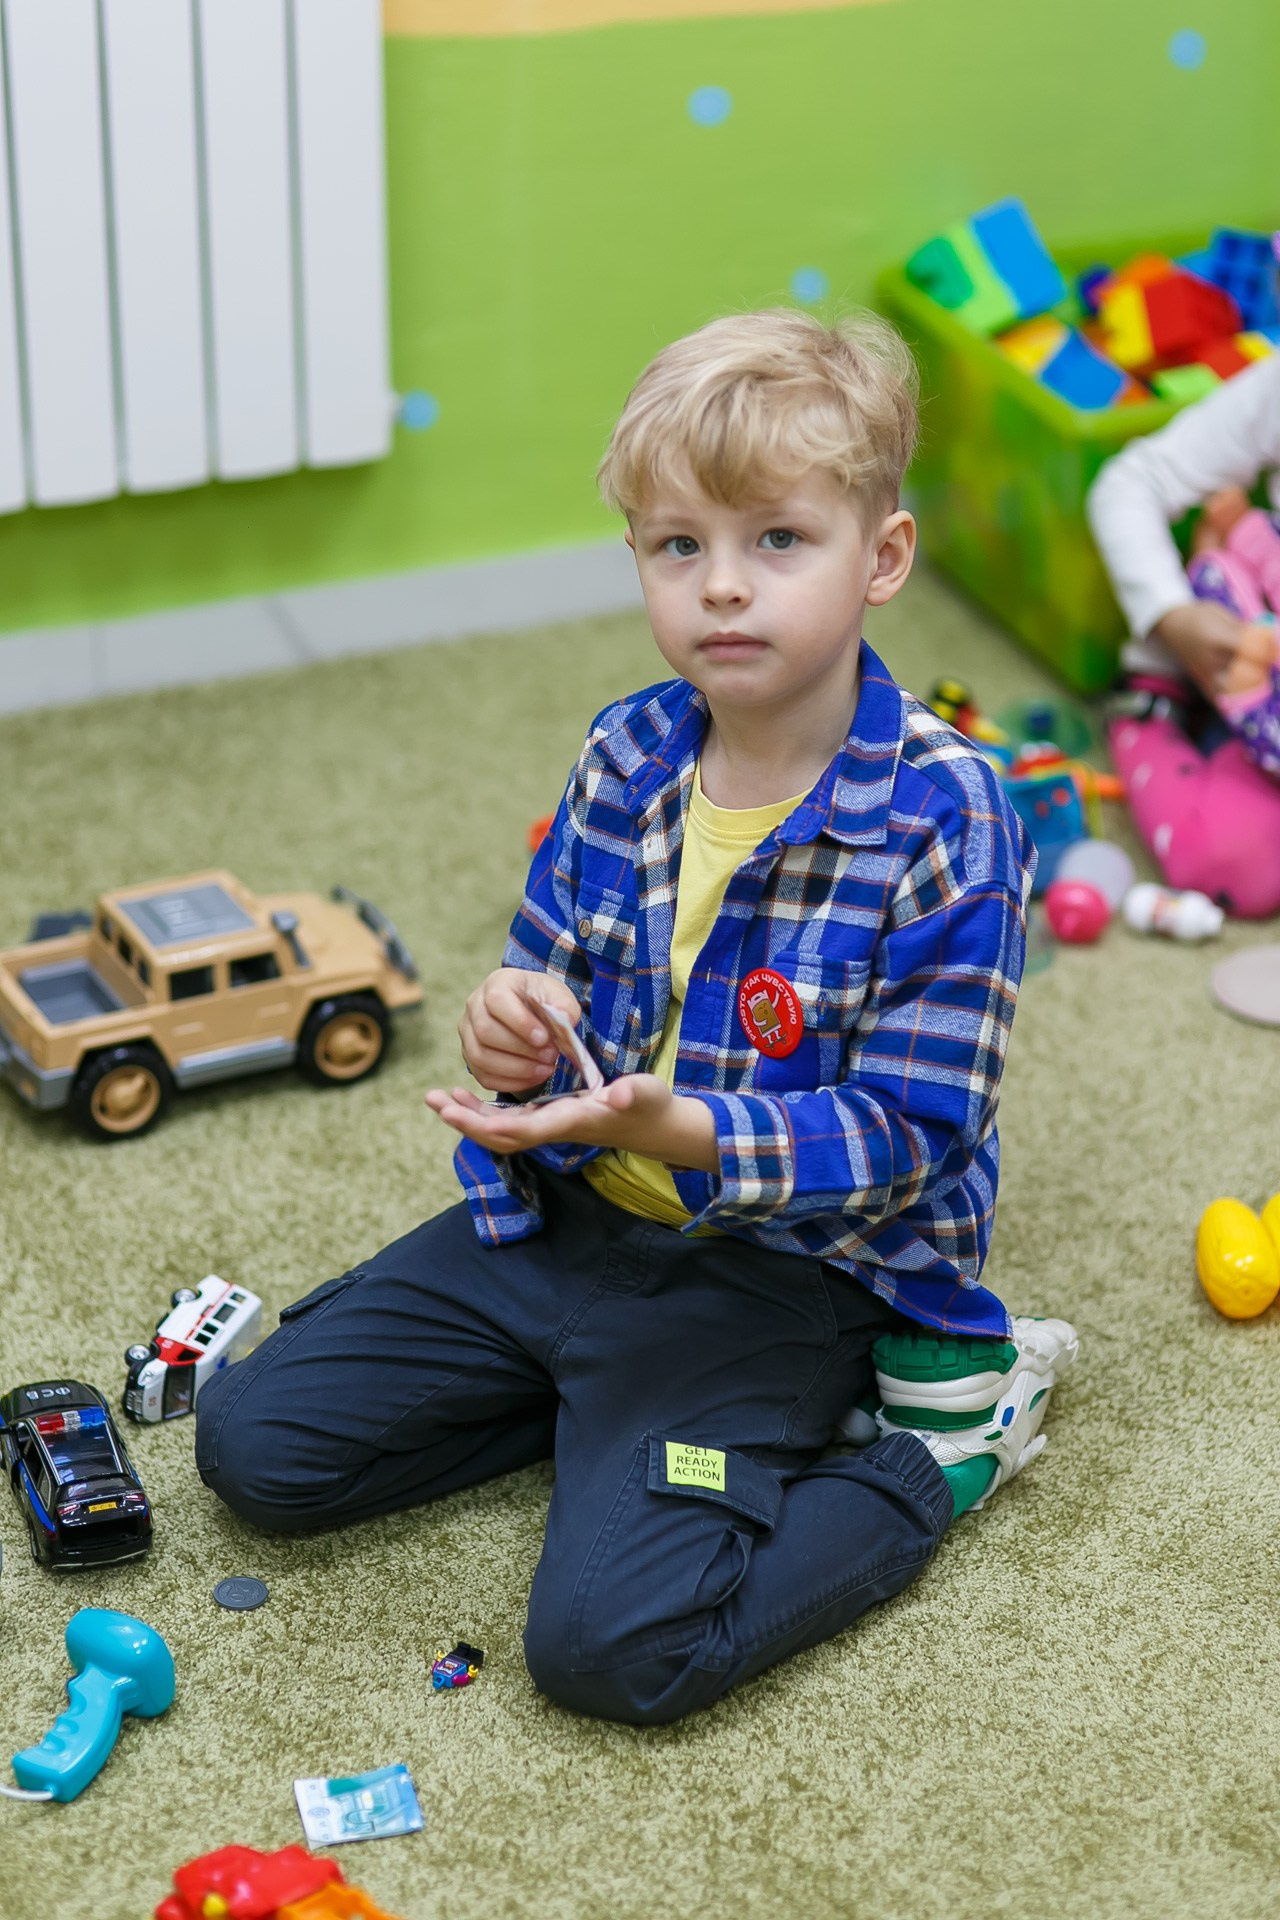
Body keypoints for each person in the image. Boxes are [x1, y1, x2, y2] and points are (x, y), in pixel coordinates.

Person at [196, 310, 1077, 1727]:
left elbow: (919, 1131)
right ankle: (598, 1408)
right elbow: (544, 976)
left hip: (779, 1269)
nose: (722, 589)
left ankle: (946, 1447)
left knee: (614, 1648)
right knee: (254, 1449)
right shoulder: (625, 751)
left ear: (883, 559)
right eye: (681, 548)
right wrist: (513, 1025)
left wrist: (689, 1129)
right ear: (640, 563)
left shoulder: (948, 813)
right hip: (566, 1221)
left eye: (776, 541)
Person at [1087, 351, 1280, 916]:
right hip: (1240, 668)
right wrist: (1173, 616)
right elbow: (1130, 484)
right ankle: (1152, 710)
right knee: (1230, 864)